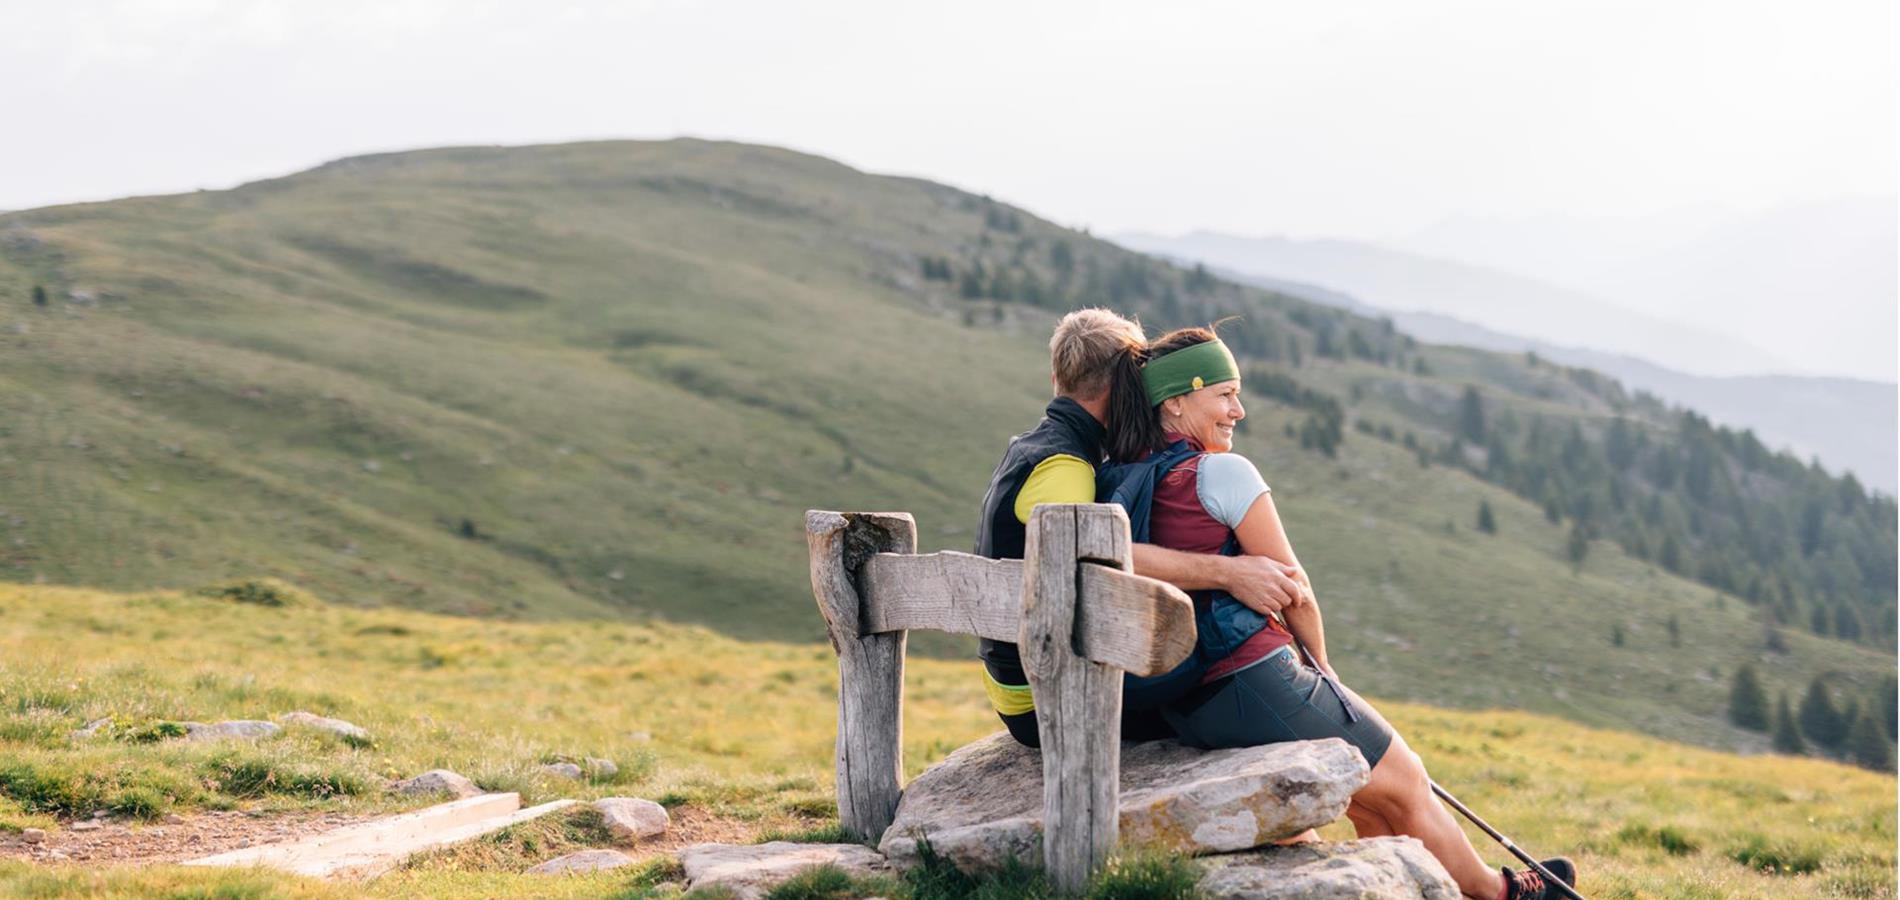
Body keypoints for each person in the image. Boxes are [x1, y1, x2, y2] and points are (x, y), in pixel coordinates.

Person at [1102, 325, 1577, 900]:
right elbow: (1294, 586)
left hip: (1188, 699)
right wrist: (1325, 674)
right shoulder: (1223, 473)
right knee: (1405, 781)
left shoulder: (1123, 479)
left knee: (1369, 800)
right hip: (1254, 677)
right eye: (1224, 394)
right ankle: (1504, 894)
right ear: (1175, 400)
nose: (1239, 410)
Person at [973, 309, 1310, 749]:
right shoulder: (1067, 466)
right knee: (1234, 701)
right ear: (1126, 383)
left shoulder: (1037, 446)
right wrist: (1231, 573)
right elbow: (1095, 557)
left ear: (1058, 378)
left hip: (1022, 679)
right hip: (1045, 693)